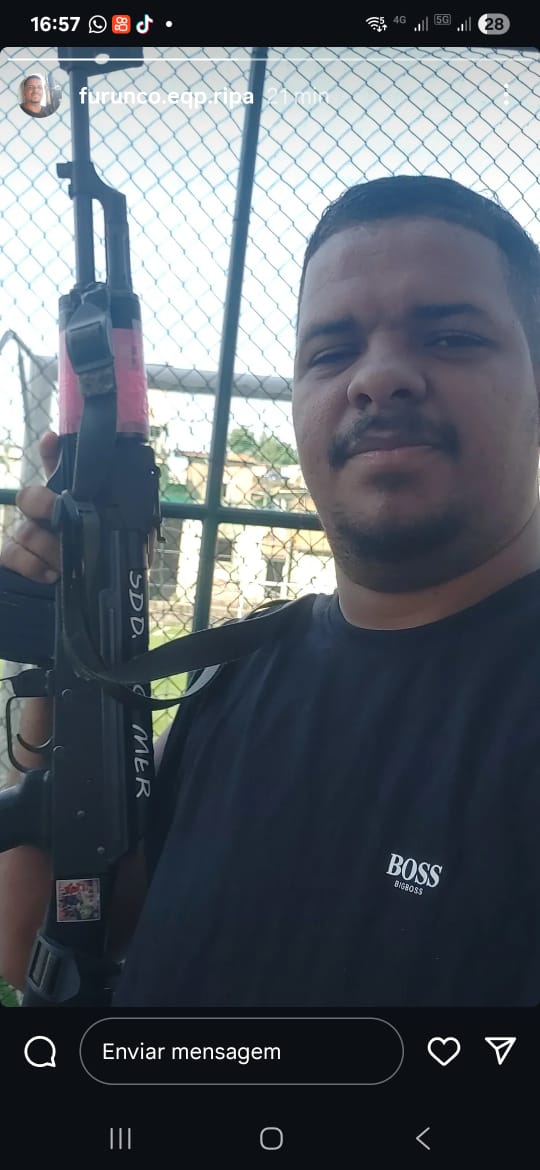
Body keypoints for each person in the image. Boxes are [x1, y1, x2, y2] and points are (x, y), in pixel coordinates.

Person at [1, 173, 540, 1007]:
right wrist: (66, 655)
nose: (378, 377)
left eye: (450, 337)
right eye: (331, 352)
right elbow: (39, 941)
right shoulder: (237, 673)